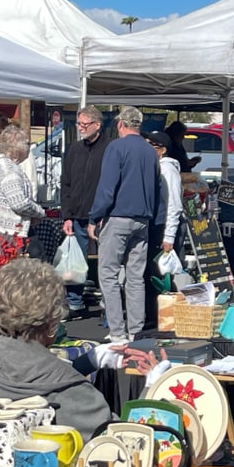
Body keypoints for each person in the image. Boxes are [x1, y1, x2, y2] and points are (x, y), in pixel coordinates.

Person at [0, 258, 116, 439]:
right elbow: (114, 438)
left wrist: (86, 363)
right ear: (52, 322)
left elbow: (30, 371)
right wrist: (152, 386)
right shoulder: (76, 392)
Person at [88, 106, 163, 344]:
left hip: (119, 217)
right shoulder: (150, 152)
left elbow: (107, 187)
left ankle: (118, 333)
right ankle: (136, 331)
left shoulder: (116, 147)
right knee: (135, 277)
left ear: (121, 124)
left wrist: (94, 217)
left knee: (108, 276)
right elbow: (158, 189)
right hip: (143, 219)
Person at [60, 105, 111, 315]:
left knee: (107, 260)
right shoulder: (75, 149)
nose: (80, 128)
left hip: (101, 215)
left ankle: (109, 300)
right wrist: (67, 215)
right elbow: (66, 182)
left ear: (97, 125)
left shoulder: (109, 148)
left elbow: (110, 184)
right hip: (78, 214)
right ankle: (74, 299)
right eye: (78, 123)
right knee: (75, 260)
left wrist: (104, 212)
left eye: (84, 124)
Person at [143, 130, 185, 326]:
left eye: (152, 145)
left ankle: (168, 317)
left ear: (163, 150)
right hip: (157, 226)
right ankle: (157, 316)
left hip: (164, 228)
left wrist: (168, 236)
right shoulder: (154, 167)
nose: (147, 148)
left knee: (161, 275)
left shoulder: (167, 169)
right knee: (153, 274)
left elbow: (174, 204)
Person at [0, 124, 44, 238]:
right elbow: (19, 204)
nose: (28, 150)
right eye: (27, 146)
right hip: (9, 231)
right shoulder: (10, 171)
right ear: (17, 150)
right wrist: (39, 212)